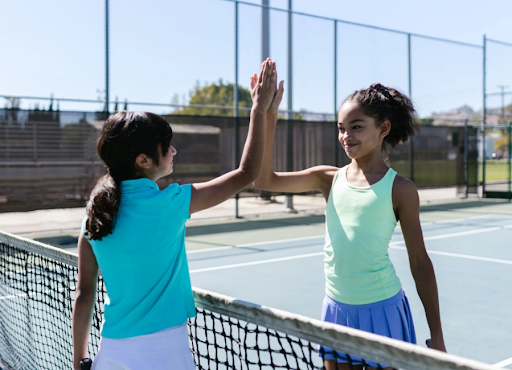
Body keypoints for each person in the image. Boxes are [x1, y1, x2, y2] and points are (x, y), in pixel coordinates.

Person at [72, 59, 281, 370]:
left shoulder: (95, 216)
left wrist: (79, 360)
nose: (173, 151)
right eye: (166, 146)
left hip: (111, 351)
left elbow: (84, 294)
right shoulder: (171, 203)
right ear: (143, 159)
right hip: (165, 351)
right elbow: (247, 172)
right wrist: (259, 111)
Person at [253, 79, 446, 370]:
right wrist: (268, 115)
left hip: (383, 311)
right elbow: (263, 180)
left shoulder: (401, 189)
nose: (346, 136)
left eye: (356, 126)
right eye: (341, 128)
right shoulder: (327, 178)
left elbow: (419, 263)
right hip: (337, 310)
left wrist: (438, 336)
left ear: (383, 129)